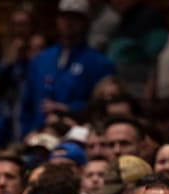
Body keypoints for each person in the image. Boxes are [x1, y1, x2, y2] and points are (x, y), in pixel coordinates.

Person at [19, 0, 115, 137]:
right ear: (57, 20)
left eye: (75, 18)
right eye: (64, 17)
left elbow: (102, 106)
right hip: (39, 134)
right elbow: (26, 104)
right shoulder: (40, 60)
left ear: (86, 22)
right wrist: (27, 132)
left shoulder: (99, 63)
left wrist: (69, 109)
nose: (69, 23)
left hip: (79, 134)